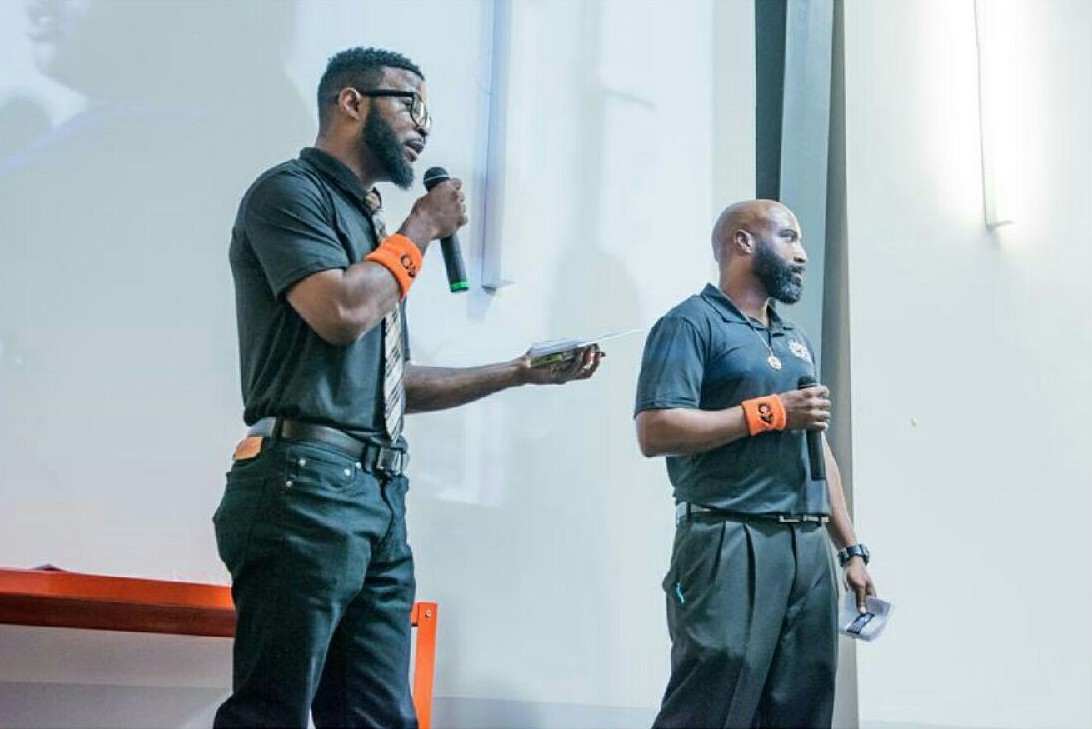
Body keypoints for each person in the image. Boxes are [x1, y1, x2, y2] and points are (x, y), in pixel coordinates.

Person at [212, 47, 602, 728]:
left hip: (377, 497)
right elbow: (341, 312)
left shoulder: (371, 228)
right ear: (351, 103)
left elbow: (391, 382)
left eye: (429, 109)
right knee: (269, 713)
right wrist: (423, 225)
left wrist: (516, 371)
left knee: (378, 716)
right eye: (408, 103)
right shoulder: (289, 194)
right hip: (302, 488)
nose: (424, 124)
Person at [634, 199, 876, 729]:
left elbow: (817, 446)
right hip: (728, 537)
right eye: (788, 237)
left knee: (802, 706)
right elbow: (656, 430)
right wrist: (769, 412)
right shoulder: (689, 324)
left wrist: (850, 549)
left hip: (806, 548)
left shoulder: (794, 340)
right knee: (711, 705)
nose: (803, 253)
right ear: (743, 242)